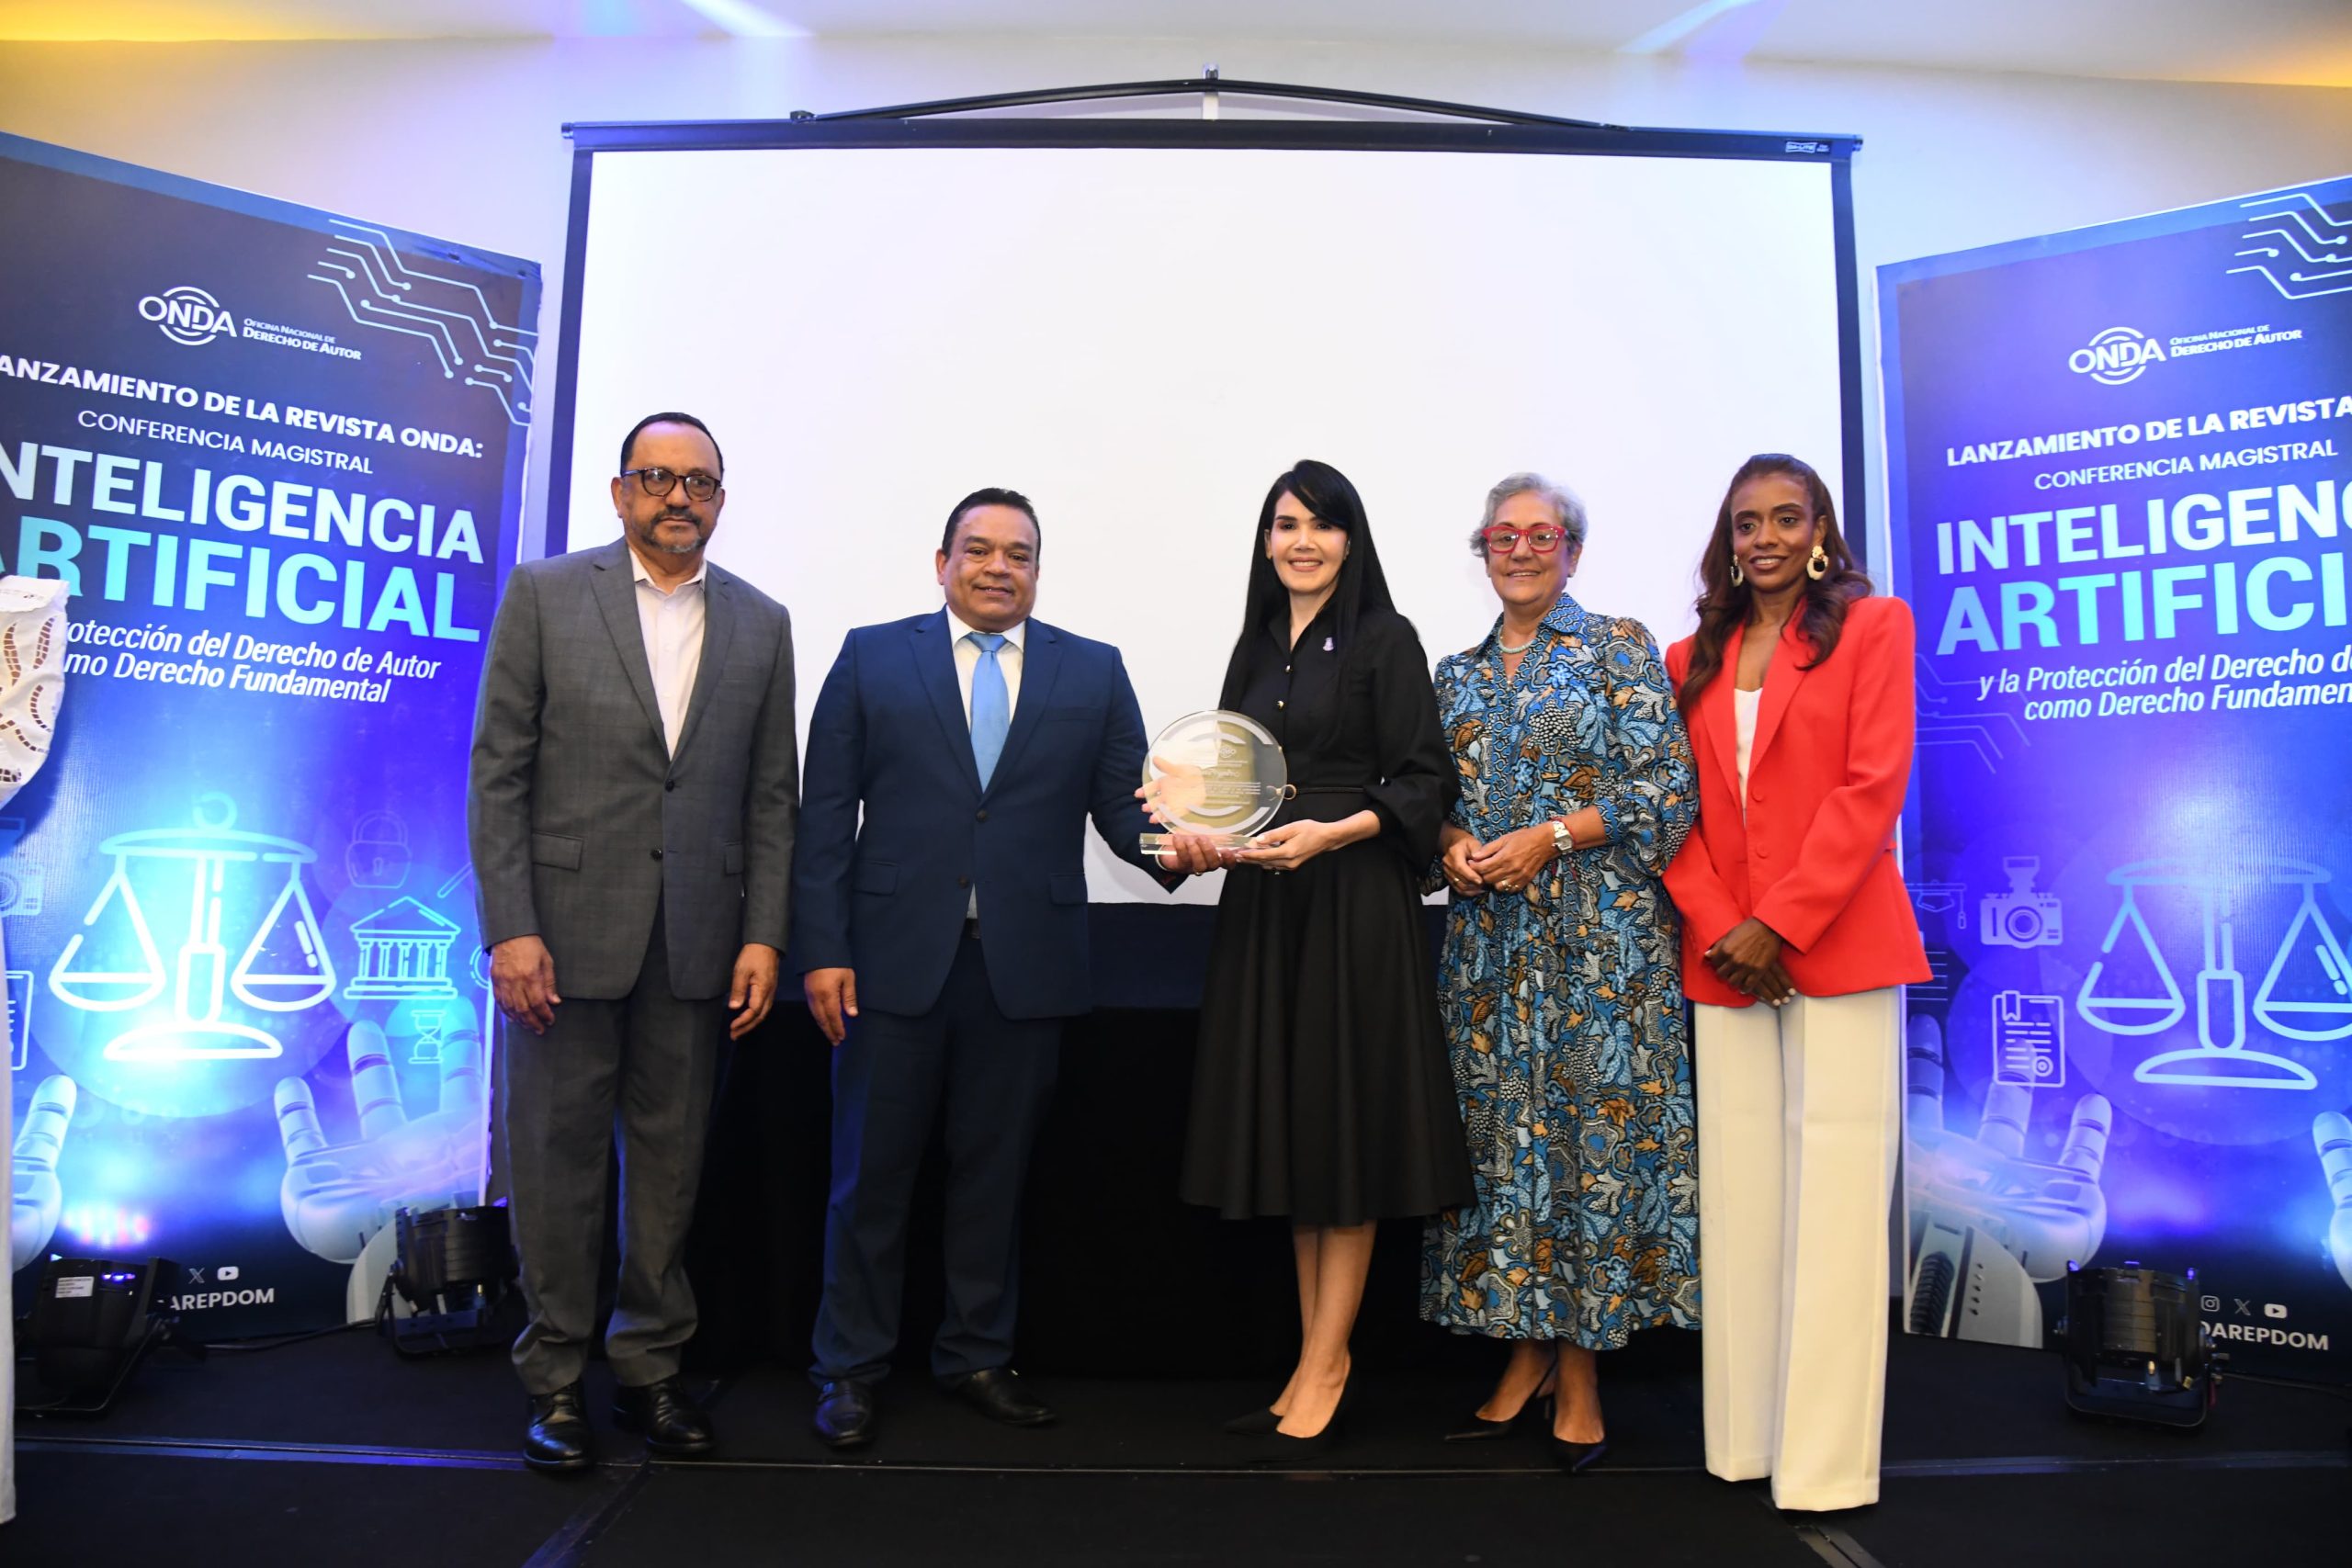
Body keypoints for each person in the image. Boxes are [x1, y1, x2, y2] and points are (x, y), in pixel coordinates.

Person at [794, 488, 1177, 1450]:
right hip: (886, 967)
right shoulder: (870, 657)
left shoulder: (1093, 673)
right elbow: (824, 821)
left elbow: (1123, 813)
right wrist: (823, 951)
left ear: (1037, 571)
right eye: (978, 550)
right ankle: (848, 1368)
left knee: (993, 1179)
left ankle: (975, 1356)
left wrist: (1181, 848)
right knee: (867, 1180)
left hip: (1026, 969)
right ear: (941, 562)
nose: (997, 567)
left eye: (1018, 553)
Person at [469, 412, 798, 1472]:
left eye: (699, 482)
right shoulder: (546, 595)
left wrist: (763, 937)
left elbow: (769, 801)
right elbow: (498, 776)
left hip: (698, 946)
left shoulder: (762, 622)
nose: (679, 498)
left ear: (719, 499)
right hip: (560, 943)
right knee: (557, 1167)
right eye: (657, 478)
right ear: (619, 494)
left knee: (668, 1174)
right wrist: (511, 928)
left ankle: (651, 1371)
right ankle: (556, 1381)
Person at [1158, 459, 1472, 1457]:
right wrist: (1187, 828)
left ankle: (1328, 1363)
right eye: (1286, 524)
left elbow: (1424, 783)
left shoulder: (1387, 639)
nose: (1303, 541)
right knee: (1297, 1136)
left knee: (1346, 1134)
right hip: (1267, 907)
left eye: (1323, 525)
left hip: (1352, 906)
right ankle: (1311, 1357)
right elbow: (1228, 784)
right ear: (1265, 540)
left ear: (1351, 538)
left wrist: (1330, 834)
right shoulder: (1252, 646)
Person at [1661, 453, 1928, 1512]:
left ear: (1819, 527)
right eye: (1744, 522)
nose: (1763, 537)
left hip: (1839, 942)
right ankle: (1742, 1445)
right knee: (1739, 1207)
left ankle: (1822, 1468)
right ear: (1726, 538)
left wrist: (1782, 923)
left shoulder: (1874, 628)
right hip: (1725, 955)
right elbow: (1666, 806)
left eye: (1784, 517)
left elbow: (1874, 787)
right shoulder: (1688, 653)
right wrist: (1732, 929)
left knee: (1835, 1204)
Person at [1419, 474, 1699, 1473]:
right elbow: (1428, 800)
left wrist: (1547, 836)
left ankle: (1580, 1369)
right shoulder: (1449, 676)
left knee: (1591, 1151)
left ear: (1572, 552)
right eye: (1504, 534)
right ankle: (1524, 1348)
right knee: (1504, 1155)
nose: (1522, 549)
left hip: (1599, 955)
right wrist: (1449, 841)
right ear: (1483, 549)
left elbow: (1668, 785)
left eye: (1543, 535)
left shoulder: (1614, 647)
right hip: (1491, 960)